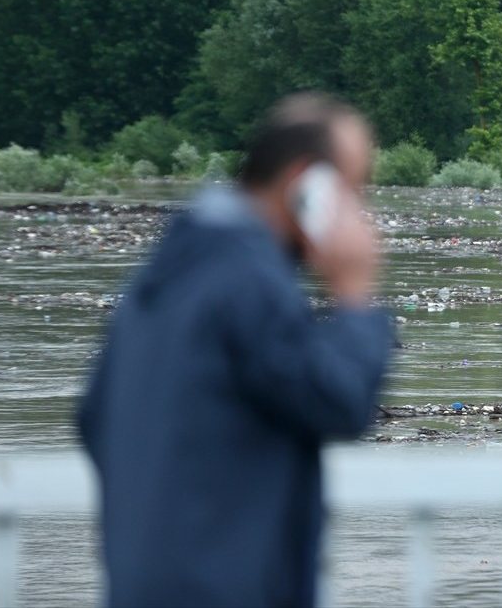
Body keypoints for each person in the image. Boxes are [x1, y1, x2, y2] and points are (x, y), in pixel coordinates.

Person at [78, 93, 395, 608]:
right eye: (354, 190)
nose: (361, 213)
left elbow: (94, 417)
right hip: (219, 586)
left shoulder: (166, 272)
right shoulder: (248, 282)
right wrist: (355, 297)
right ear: (305, 185)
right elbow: (338, 399)